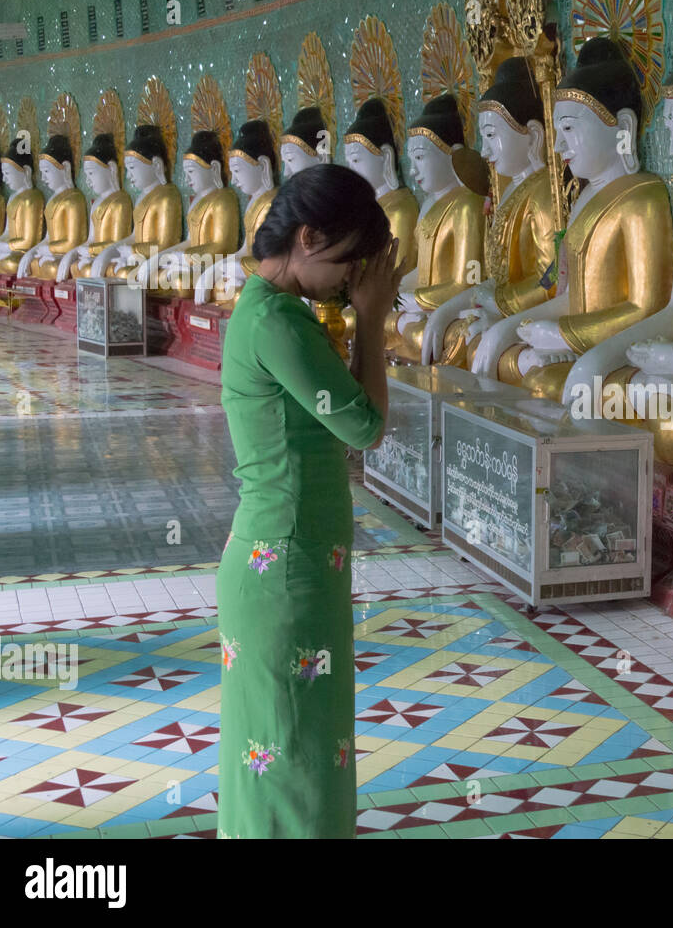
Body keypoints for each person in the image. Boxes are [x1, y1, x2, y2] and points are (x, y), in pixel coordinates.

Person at [215, 163, 409, 838]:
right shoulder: (279, 326)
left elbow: (346, 414)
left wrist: (359, 312)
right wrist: (374, 316)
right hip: (287, 569)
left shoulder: (273, 312)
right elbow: (366, 425)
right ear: (308, 237)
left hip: (289, 565)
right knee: (293, 754)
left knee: (289, 743)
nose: (351, 280)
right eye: (349, 262)